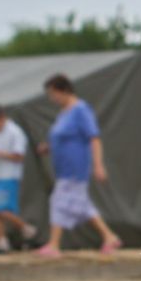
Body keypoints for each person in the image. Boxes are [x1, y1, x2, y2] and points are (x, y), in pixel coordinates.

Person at [31, 73, 122, 257]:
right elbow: (64, 138)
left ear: (63, 90)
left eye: (53, 93)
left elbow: (94, 138)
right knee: (82, 206)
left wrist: (98, 165)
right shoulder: (64, 113)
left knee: (58, 200)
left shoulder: (81, 110)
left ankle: (54, 245)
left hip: (76, 168)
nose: (52, 99)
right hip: (63, 168)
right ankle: (109, 237)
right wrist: (49, 147)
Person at [0, 104, 38, 254]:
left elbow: (18, 156)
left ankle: (27, 229)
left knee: (2, 209)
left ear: (1, 118)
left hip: (9, 176)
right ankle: (2, 242)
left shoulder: (15, 132)